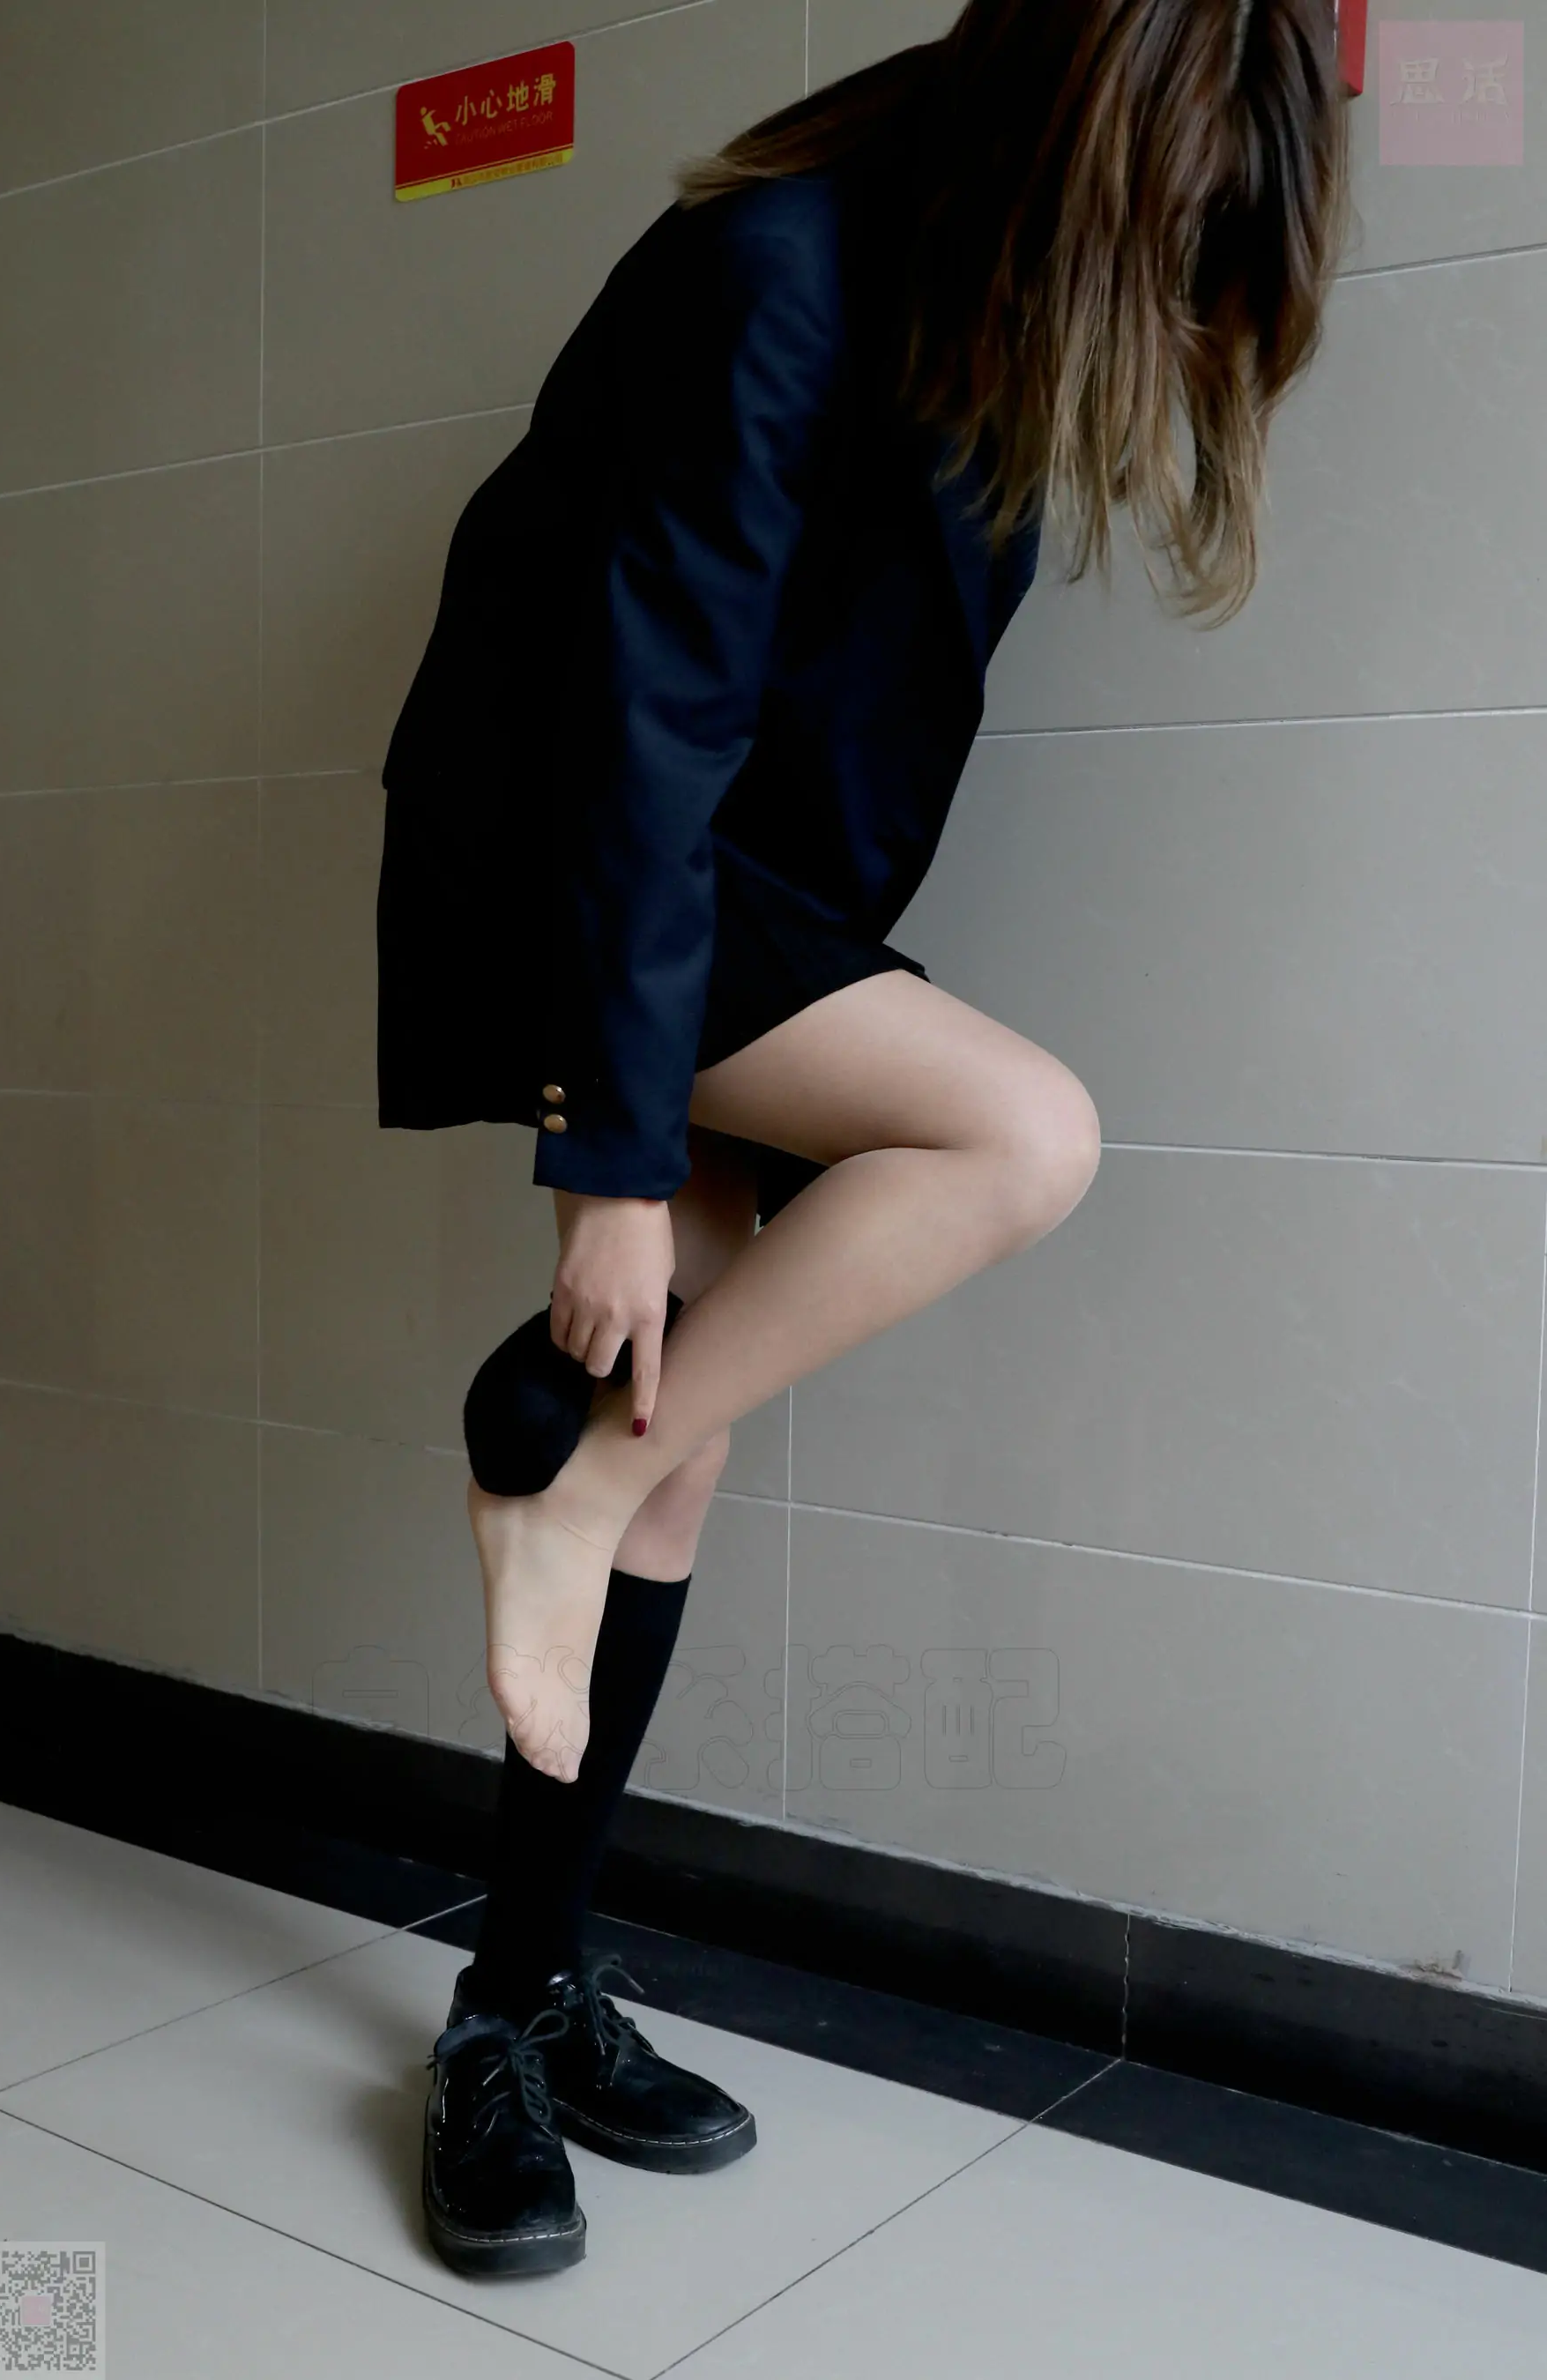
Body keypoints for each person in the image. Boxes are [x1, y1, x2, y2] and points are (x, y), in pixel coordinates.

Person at [377, 0, 1350, 2278]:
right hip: (587, 877)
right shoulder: (781, 275)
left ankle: (513, 2005)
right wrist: (611, 1159)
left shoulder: (965, 321)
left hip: (739, 905)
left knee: (679, 1430)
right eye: (1159, 243)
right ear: (1073, 149)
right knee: (1025, 1137)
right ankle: (552, 1477)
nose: (1160, 309)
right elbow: (644, 727)